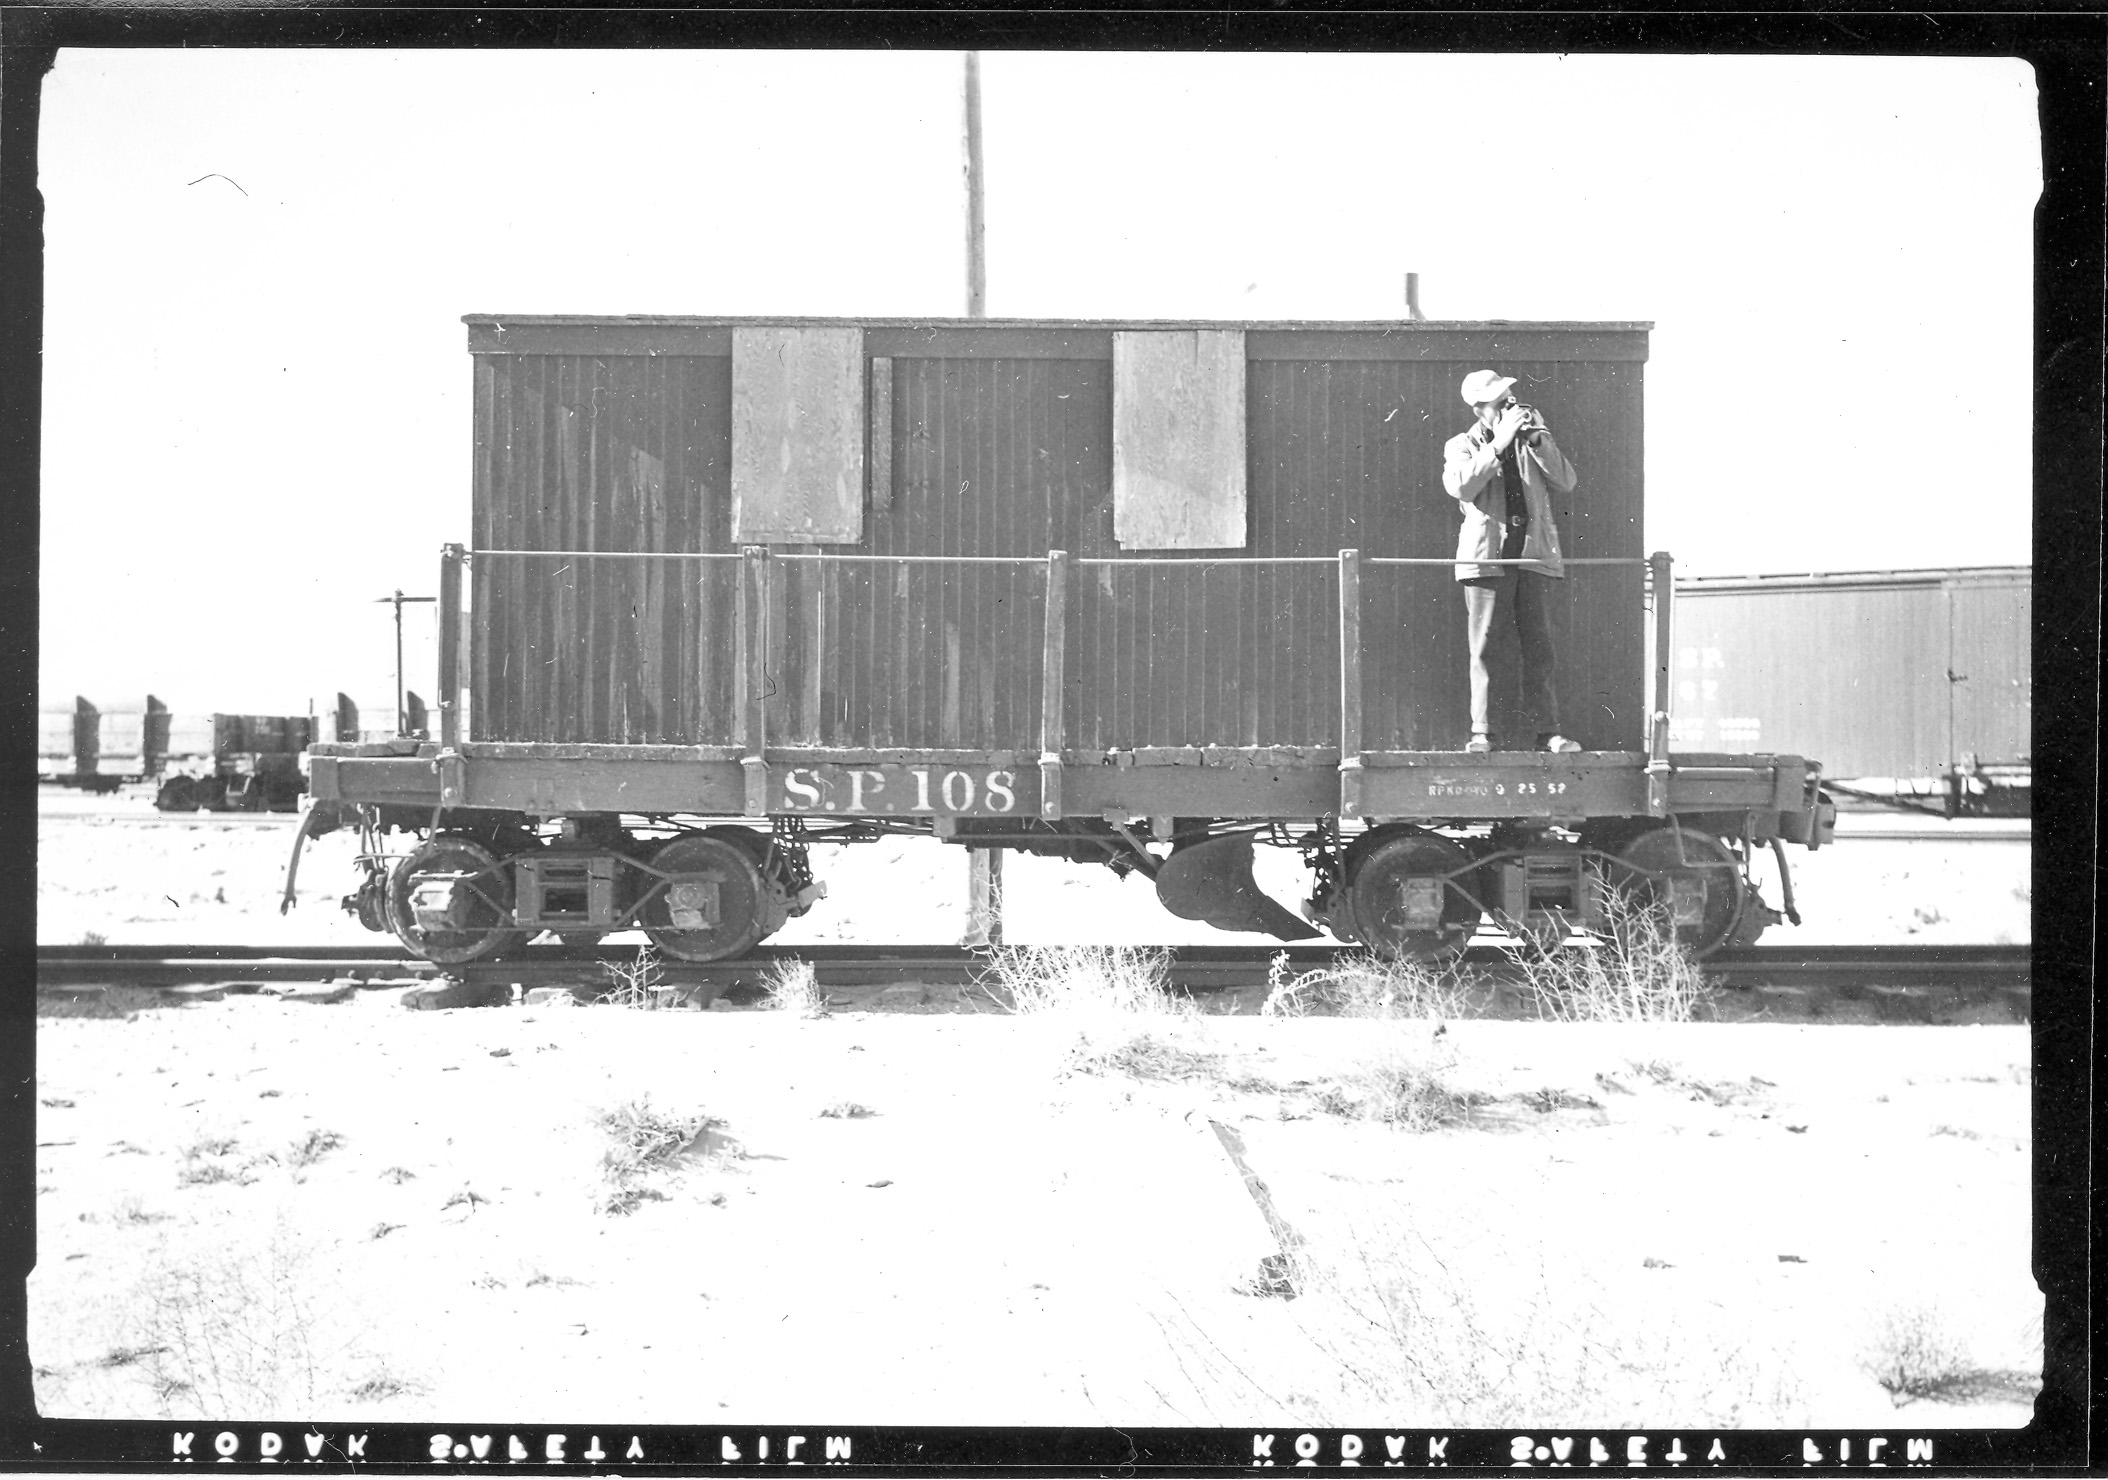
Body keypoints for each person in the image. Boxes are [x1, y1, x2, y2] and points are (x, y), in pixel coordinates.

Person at [1441, 369, 1582, 754]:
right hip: (1487, 560)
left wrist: (1536, 439)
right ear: (1479, 409)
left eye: (1510, 399)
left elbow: (1566, 481)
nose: (1509, 405)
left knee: (1539, 649)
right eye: (1499, 402)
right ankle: (1483, 733)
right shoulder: (1462, 444)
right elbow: (1461, 486)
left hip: (1532, 557)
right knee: (1486, 649)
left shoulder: (1531, 441)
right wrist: (1499, 442)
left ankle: (1547, 733)